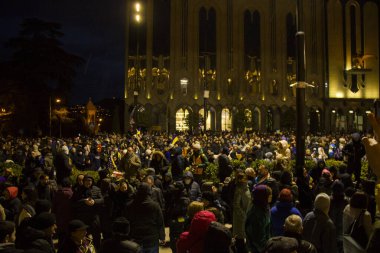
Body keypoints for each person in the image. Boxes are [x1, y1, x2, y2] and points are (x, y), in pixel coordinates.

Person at [125, 182, 165, 253]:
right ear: (149, 192)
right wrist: (162, 237)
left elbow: (128, 222)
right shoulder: (155, 206)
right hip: (152, 239)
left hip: (136, 239)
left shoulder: (130, 206)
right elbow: (160, 222)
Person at [245, 185, 272, 253]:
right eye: (269, 195)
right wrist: (265, 249)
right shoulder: (256, 214)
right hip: (258, 248)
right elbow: (258, 237)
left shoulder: (264, 206)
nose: (271, 196)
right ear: (263, 197)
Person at [232, 170, 252, 253]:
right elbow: (236, 205)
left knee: (245, 235)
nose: (246, 179)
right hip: (240, 217)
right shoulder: (239, 189)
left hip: (246, 215)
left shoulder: (247, 187)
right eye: (244, 178)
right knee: (239, 236)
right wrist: (243, 215)